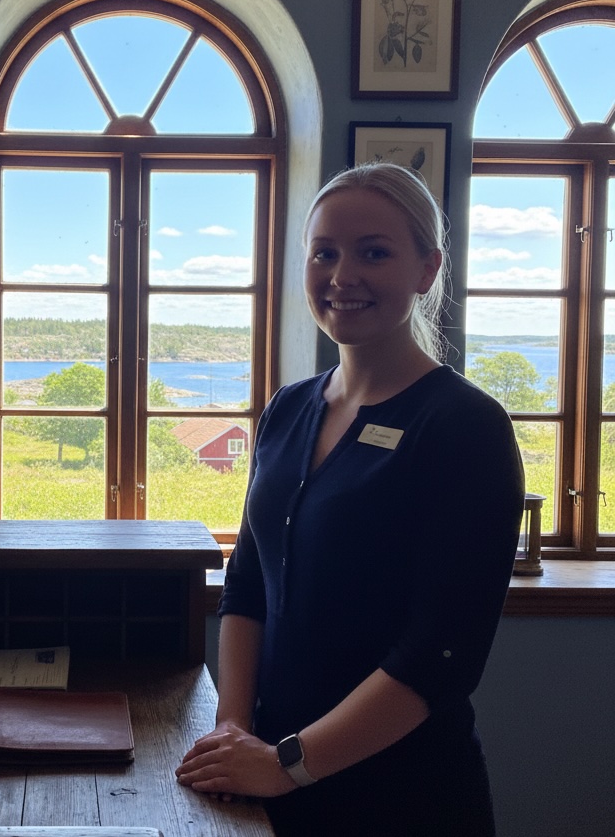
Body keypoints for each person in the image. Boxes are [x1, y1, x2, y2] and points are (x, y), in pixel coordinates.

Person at [175, 163, 525, 836]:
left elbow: (438, 656)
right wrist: (233, 730)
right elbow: (247, 587)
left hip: (403, 798)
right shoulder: (286, 409)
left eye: (374, 251)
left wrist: (287, 763)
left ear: (427, 268)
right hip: (270, 784)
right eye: (325, 253)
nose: (343, 275)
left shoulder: (464, 426)